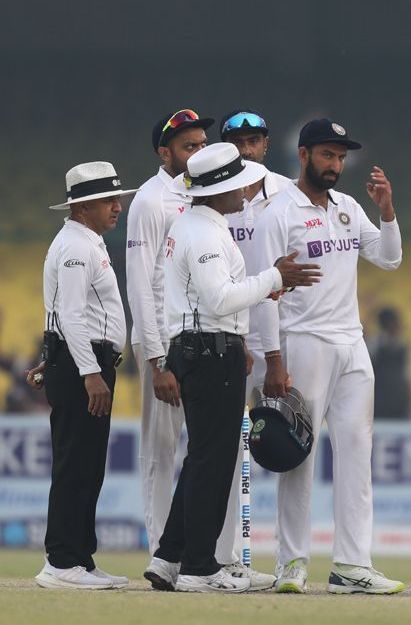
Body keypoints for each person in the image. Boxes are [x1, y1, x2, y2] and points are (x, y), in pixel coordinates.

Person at [143, 143, 321, 593]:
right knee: (214, 459)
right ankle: (200, 567)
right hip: (208, 351)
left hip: (203, 346)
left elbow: (215, 298)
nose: (245, 189)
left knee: (203, 456)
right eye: (236, 182)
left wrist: (243, 327)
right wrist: (275, 278)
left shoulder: (196, 224)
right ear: (218, 189)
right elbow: (220, 297)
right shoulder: (204, 232)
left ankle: (169, 557)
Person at [250, 118, 405, 594]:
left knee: (358, 451)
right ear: (303, 155)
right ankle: (292, 563)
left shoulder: (348, 207)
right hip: (302, 341)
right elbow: (262, 292)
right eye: (326, 156)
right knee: (298, 451)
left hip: (351, 342)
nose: (335, 165)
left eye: (340, 157)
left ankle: (352, 566)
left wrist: (387, 212)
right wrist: (273, 360)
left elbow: (390, 258)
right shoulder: (278, 212)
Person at [33, 162, 135, 590]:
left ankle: (79, 557)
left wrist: (55, 355)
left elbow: (64, 312)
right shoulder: (77, 247)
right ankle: (61, 562)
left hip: (79, 362)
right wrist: (89, 372)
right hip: (84, 367)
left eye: (117, 199)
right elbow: (73, 315)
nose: (117, 207)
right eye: (109, 201)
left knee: (88, 465)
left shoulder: (83, 241)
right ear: (83, 206)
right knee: (77, 464)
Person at [126, 109, 211, 557]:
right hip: (162, 338)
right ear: (165, 153)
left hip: (200, 337)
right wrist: (157, 358)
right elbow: (140, 281)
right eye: (188, 146)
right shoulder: (150, 200)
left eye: (201, 144)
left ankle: (209, 553)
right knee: (161, 449)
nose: (197, 152)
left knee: (208, 449)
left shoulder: (206, 195)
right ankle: (163, 555)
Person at [215, 108, 293, 589]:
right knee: (221, 447)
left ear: (266, 143)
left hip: (278, 336)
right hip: (225, 332)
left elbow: (287, 274)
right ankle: (221, 556)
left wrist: (273, 349)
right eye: (237, 140)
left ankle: (287, 560)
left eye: (254, 138)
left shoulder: (285, 192)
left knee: (283, 445)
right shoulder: (209, 197)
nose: (246, 147)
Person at [370, 307, 411, 420]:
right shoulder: (374, 345)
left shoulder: (403, 346)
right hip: (378, 405)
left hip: (400, 405)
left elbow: (408, 378)